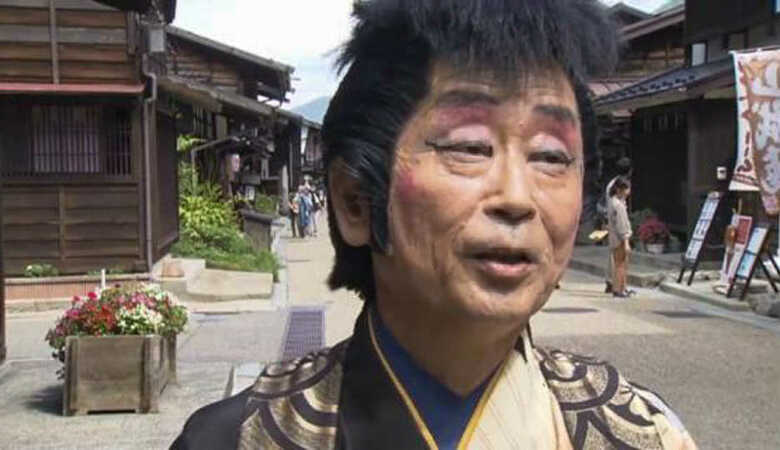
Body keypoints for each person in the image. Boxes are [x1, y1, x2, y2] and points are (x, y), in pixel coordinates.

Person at [172, 1, 696, 448]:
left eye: (551, 156)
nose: (517, 198)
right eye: (469, 147)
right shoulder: (235, 440)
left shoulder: (641, 434)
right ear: (355, 201)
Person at [601, 156, 632, 293]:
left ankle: (619, 286)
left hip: (613, 224)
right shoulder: (617, 197)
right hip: (616, 227)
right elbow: (617, 214)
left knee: (617, 259)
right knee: (619, 261)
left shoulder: (612, 184)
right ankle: (617, 286)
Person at [608, 176, 634, 298]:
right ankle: (618, 289)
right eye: (627, 189)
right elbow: (622, 225)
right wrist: (626, 241)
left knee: (620, 263)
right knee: (621, 264)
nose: (628, 192)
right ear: (620, 189)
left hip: (614, 237)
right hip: (619, 238)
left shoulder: (613, 201)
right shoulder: (618, 205)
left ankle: (621, 288)